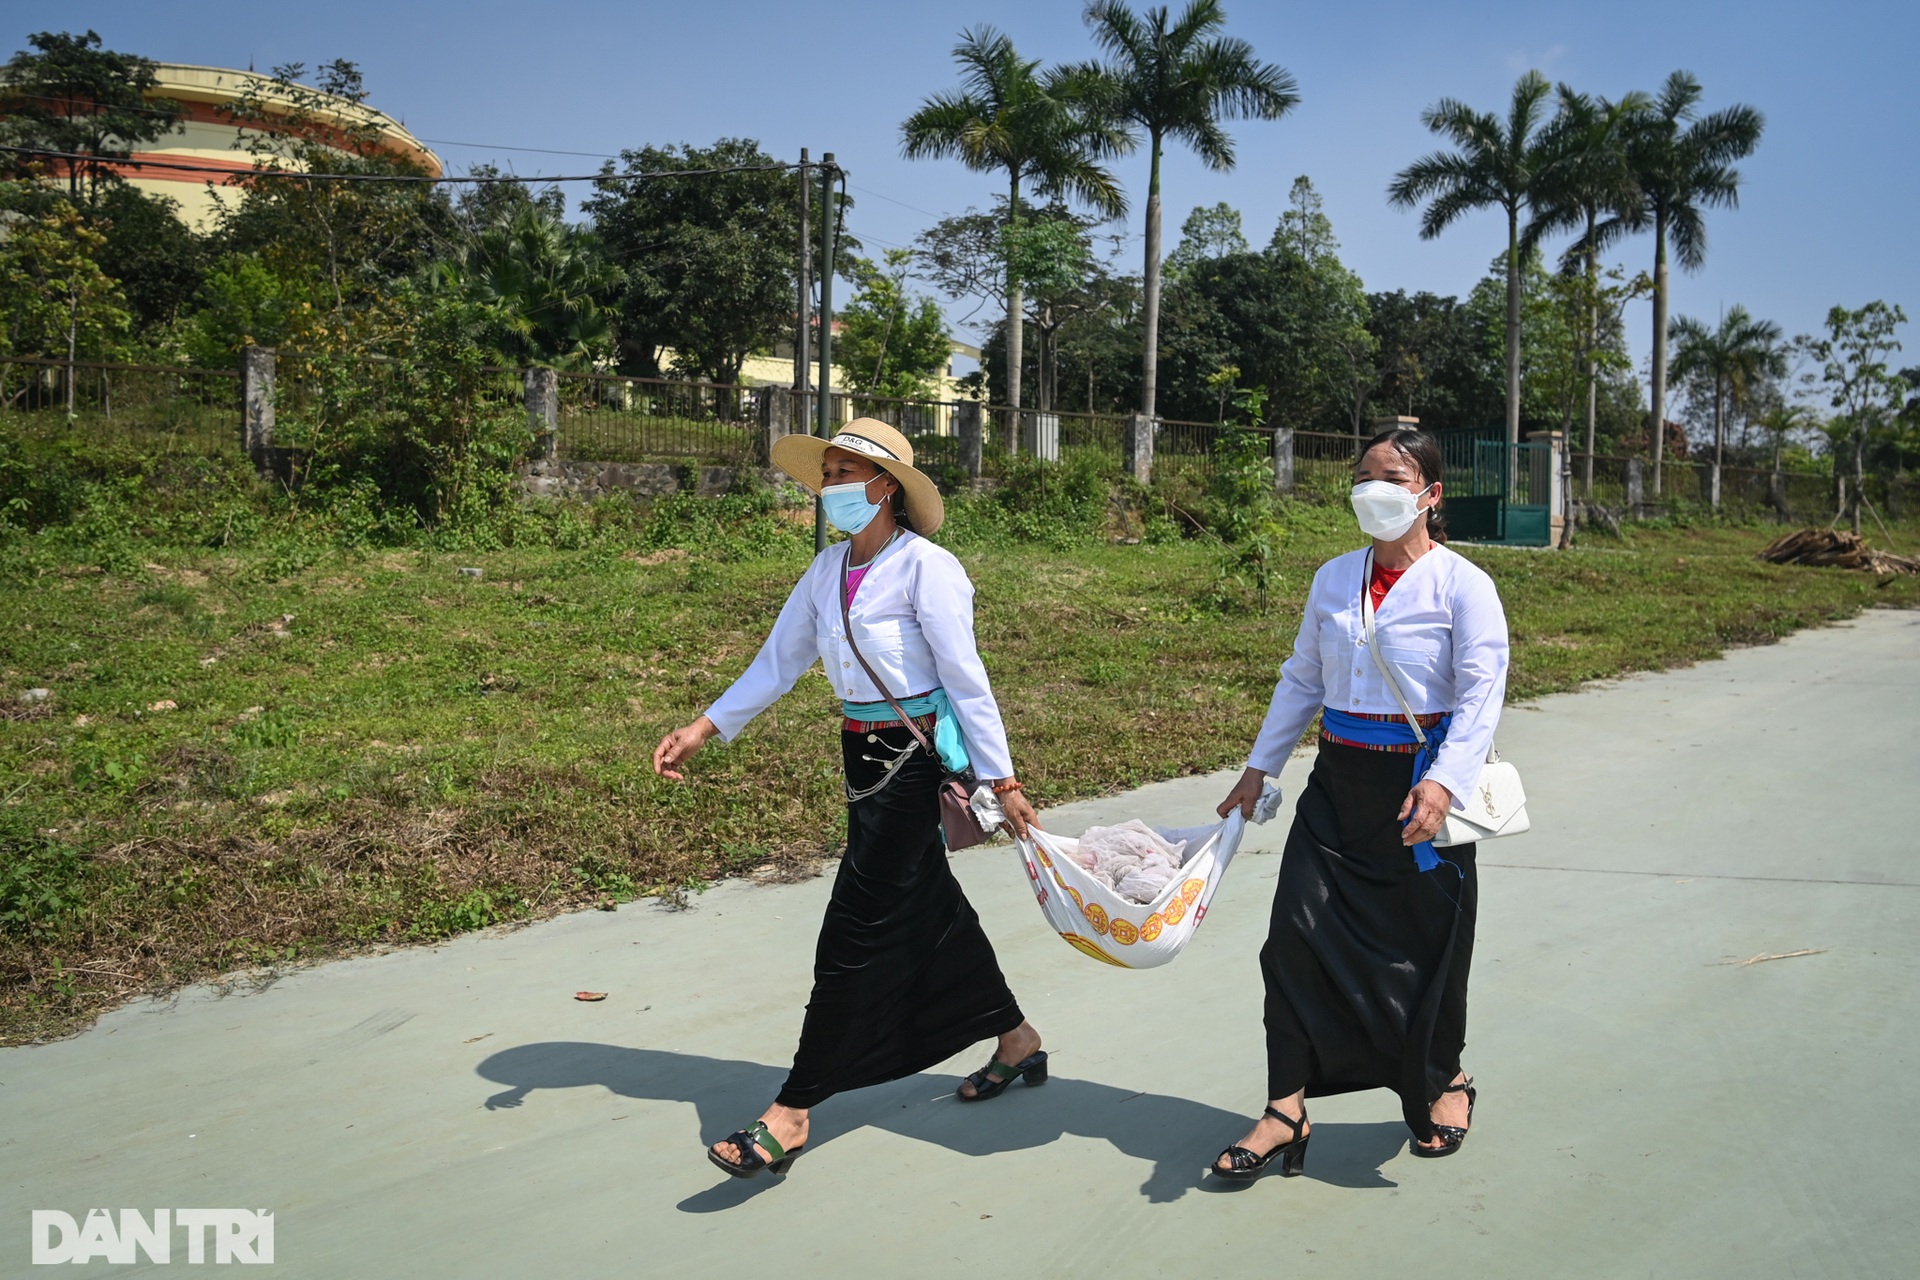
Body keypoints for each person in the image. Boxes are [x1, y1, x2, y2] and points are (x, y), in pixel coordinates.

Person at [652, 418, 1047, 1180]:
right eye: (826, 473)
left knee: (854, 932)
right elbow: (779, 660)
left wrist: (1004, 781)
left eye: (845, 473)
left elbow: (967, 679)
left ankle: (793, 1110)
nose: (830, 486)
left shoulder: (928, 568)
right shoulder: (827, 571)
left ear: (887, 488)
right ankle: (1016, 1038)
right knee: (931, 909)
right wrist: (705, 726)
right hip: (860, 756)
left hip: (912, 761)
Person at [1210, 426, 1510, 1179]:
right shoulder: (1334, 578)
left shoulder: (1463, 585)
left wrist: (1442, 783)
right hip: (1338, 787)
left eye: (1395, 476)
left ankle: (1444, 1080)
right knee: (1291, 941)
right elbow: (1303, 679)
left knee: (1426, 950)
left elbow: (1480, 699)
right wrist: (1259, 767)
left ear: (1430, 495)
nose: (1374, 488)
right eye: (1364, 474)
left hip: (1419, 792)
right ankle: (1285, 1108)